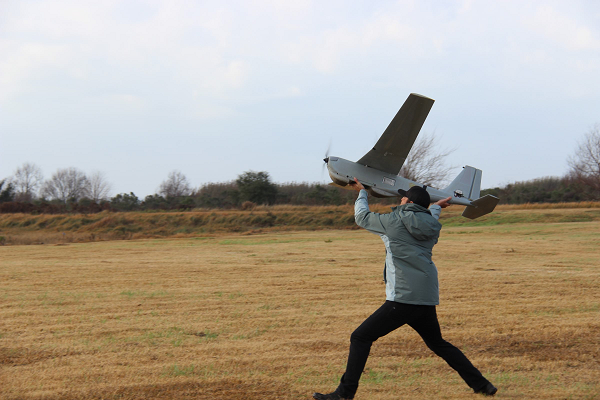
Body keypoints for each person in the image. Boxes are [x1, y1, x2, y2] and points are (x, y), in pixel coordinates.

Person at [313, 179, 497, 399]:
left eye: (403, 197)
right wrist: (437, 207)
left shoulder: (394, 220)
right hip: (426, 296)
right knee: (438, 344)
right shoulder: (431, 224)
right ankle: (483, 385)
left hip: (402, 298)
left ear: (407, 201)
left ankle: (344, 394)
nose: (400, 199)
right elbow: (426, 219)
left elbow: (361, 218)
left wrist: (362, 193)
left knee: (360, 337)